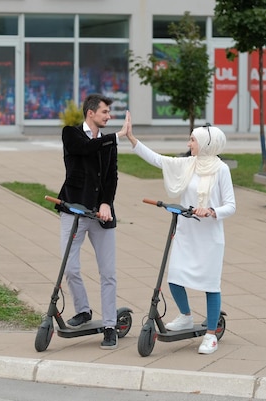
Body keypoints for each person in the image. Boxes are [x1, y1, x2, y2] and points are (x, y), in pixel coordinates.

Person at [125, 123, 236, 354]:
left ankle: (210, 335)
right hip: (186, 233)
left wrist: (212, 211)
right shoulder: (188, 164)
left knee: (210, 285)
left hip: (209, 238)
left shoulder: (221, 169)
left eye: (192, 140)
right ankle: (186, 316)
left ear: (206, 143)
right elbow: (158, 159)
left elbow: (231, 206)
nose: (188, 144)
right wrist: (132, 139)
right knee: (174, 277)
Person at [56, 93, 130, 350]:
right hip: (74, 210)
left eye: (109, 113)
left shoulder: (109, 143)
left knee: (108, 273)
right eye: (105, 112)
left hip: (101, 215)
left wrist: (106, 203)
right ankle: (83, 310)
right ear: (91, 113)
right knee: (70, 267)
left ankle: (110, 326)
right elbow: (85, 149)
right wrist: (117, 135)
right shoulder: (71, 134)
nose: (108, 116)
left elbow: (112, 176)